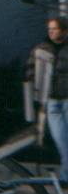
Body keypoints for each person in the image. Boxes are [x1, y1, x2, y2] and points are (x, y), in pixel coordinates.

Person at [26, 17, 68, 181]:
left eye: (55, 29)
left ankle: (65, 176)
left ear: (64, 31)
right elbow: (29, 71)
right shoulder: (41, 49)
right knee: (60, 140)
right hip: (51, 101)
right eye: (49, 29)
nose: (51, 32)